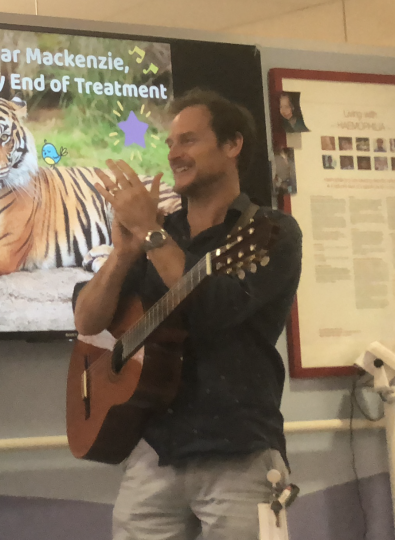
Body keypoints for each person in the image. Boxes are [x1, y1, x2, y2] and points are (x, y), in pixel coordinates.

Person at [72, 89, 302, 540]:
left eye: (189, 141)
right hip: (155, 449)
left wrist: (149, 231)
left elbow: (215, 309)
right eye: (171, 143)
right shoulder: (158, 235)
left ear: (232, 145)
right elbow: (87, 320)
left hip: (239, 451)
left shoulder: (270, 230)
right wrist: (122, 255)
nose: (174, 153)